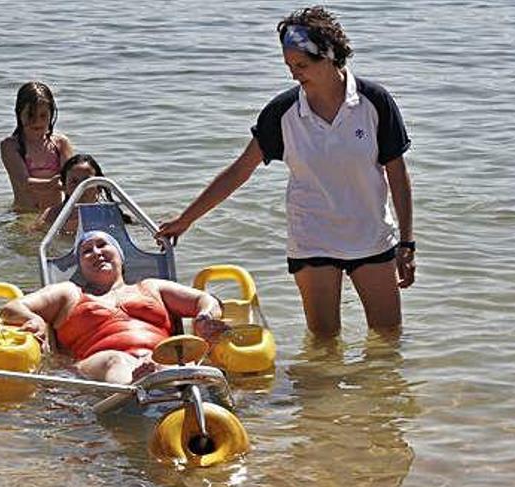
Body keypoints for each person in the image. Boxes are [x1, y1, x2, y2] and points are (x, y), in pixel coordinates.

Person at [157, 6, 415, 337]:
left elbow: (397, 174)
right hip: (312, 238)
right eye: (289, 66)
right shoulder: (282, 112)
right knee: (323, 345)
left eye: (302, 65)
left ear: (330, 55)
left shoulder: (374, 102)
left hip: (371, 235)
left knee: (387, 338)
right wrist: (186, 219)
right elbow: (239, 172)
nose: (294, 74)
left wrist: (407, 242)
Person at [0, 231, 228, 384]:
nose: (96, 253)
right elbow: (12, 308)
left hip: (157, 358)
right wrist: (36, 319)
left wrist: (204, 317)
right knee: (116, 360)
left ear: (120, 256)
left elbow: (206, 300)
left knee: (164, 361)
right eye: (86, 251)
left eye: (102, 245)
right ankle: (134, 391)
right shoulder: (69, 292)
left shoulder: (152, 287)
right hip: (100, 363)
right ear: (80, 265)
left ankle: (169, 387)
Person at [0, 81, 75, 213]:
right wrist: (52, 183)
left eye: (43, 115)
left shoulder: (61, 144)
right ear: (19, 113)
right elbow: (24, 182)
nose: (37, 121)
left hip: (54, 214)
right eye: (30, 115)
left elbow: (71, 180)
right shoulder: (10, 146)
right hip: (25, 213)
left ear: (51, 114)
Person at [31, 153, 131, 233]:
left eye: (87, 181)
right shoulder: (53, 214)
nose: (80, 186)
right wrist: (62, 231)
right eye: (74, 181)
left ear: (99, 186)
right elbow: (32, 237)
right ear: (64, 187)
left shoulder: (110, 213)